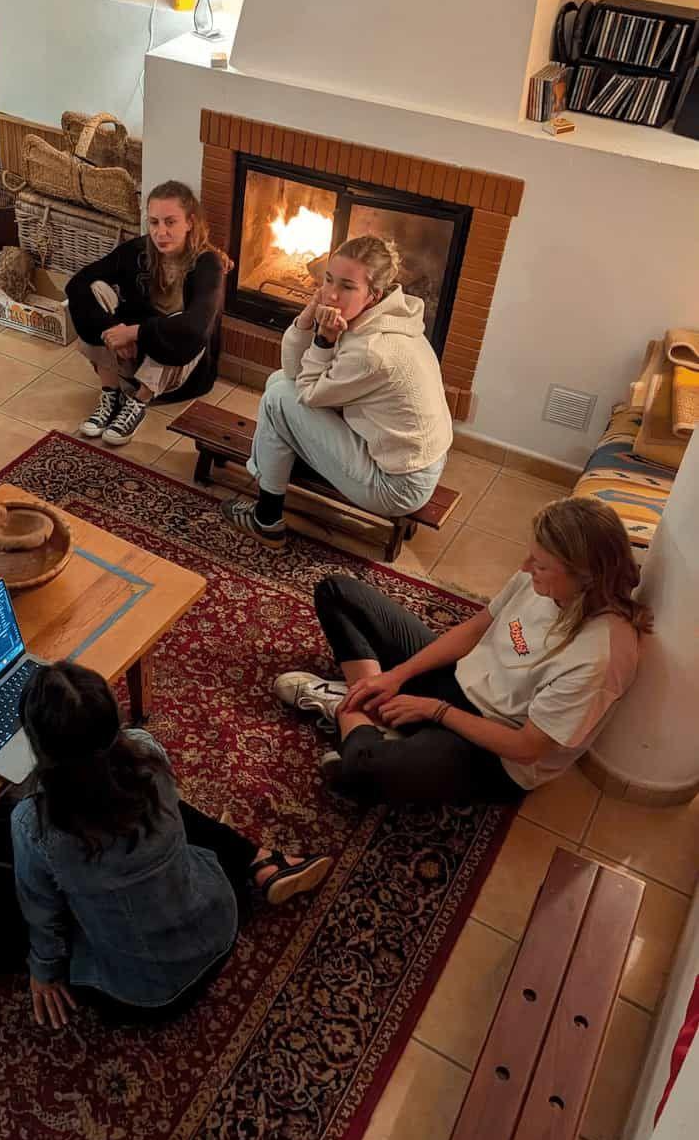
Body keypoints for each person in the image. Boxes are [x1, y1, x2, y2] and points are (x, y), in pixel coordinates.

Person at [11, 660, 333, 1028]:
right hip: (220, 935)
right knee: (163, 809)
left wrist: (44, 971)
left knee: (11, 895)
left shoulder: (31, 823)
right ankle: (260, 863)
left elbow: (42, 915)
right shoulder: (148, 752)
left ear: (39, 747)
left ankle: (261, 864)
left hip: (142, 997)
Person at [274, 497, 648, 805]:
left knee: (359, 769)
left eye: (541, 564)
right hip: (459, 681)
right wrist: (396, 677)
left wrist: (436, 711)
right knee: (337, 591)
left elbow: (526, 748)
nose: (524, 567)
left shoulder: (601, 656)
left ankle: (351, 711)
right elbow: (475, 628)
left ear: (584, 576)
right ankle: (369, 711)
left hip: (495, 749)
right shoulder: (539, 577)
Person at [222, 234, 453, 548]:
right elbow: (292, 373)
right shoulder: (389, 317)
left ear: (374, 294)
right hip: (406, 459)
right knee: (279, 383)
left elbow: (307, 393)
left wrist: (323, 341)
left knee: (279, 399)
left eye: (347, 286)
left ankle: (266, 519)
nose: (330, 295)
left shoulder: (371, 350)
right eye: (328, 280)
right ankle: (275, 473)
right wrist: (306, 318)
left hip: (398, 485)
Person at [65, 180, 226, 447]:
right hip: (135, 355)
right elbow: (77, 283)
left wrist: (134, 332)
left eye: (170, 222)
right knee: (93, 292)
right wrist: (113, 329)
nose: (160, 232)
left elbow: (197, 327)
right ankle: (111, 393)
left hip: (180, 369)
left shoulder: (208, 263)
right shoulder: (137, 251)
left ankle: (138, 402)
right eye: (154, 222)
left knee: (181, 324)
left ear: (190, 222)